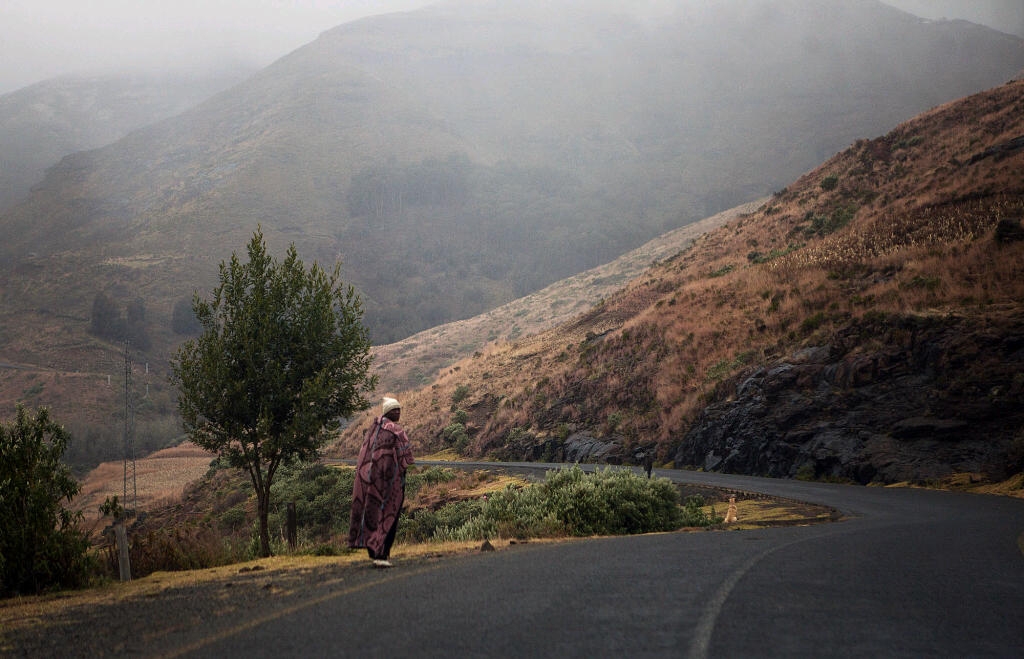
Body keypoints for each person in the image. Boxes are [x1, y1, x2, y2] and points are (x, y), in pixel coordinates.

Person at [348, 397, 414, 567]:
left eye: (399, 409)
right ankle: (382, 554)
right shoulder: (395, 430)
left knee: (372, 514)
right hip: (390, 483)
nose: (398, 412)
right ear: (387, 412)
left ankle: (374, 551)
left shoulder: (373, 429)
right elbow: (406, 458)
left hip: (369, 482)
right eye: (394, 410)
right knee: (389, 517)